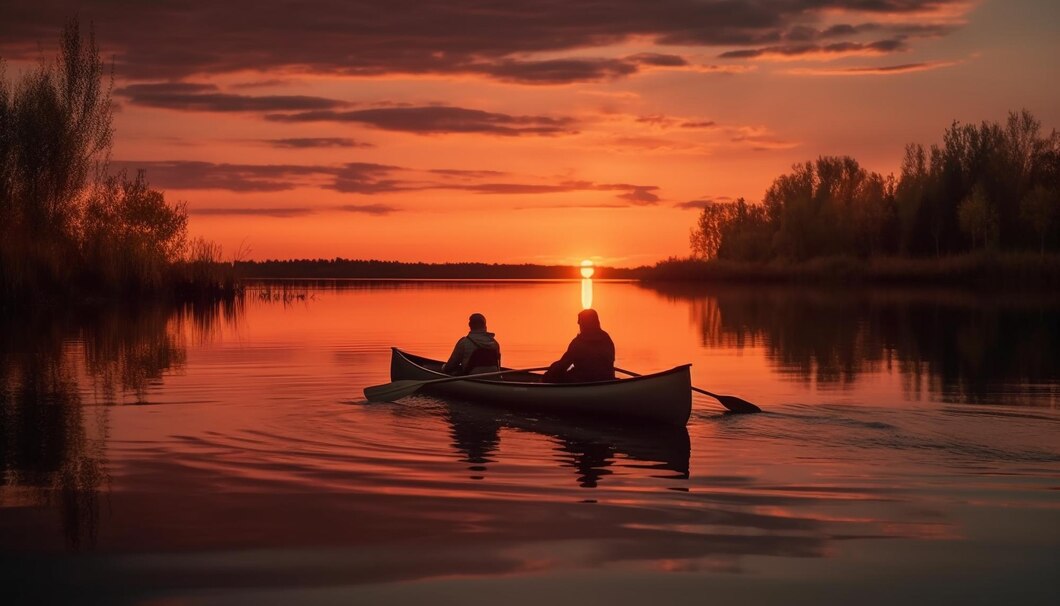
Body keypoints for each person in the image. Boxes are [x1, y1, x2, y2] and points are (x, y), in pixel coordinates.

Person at [543, 308, 615, 383]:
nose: (578, 323)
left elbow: (564, 364)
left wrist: (549, 374)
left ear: (586, 323)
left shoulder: (578, 343)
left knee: (558, 375)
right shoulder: (606, 338)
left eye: (580, 322)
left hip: (584, 381)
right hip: (607, 379)